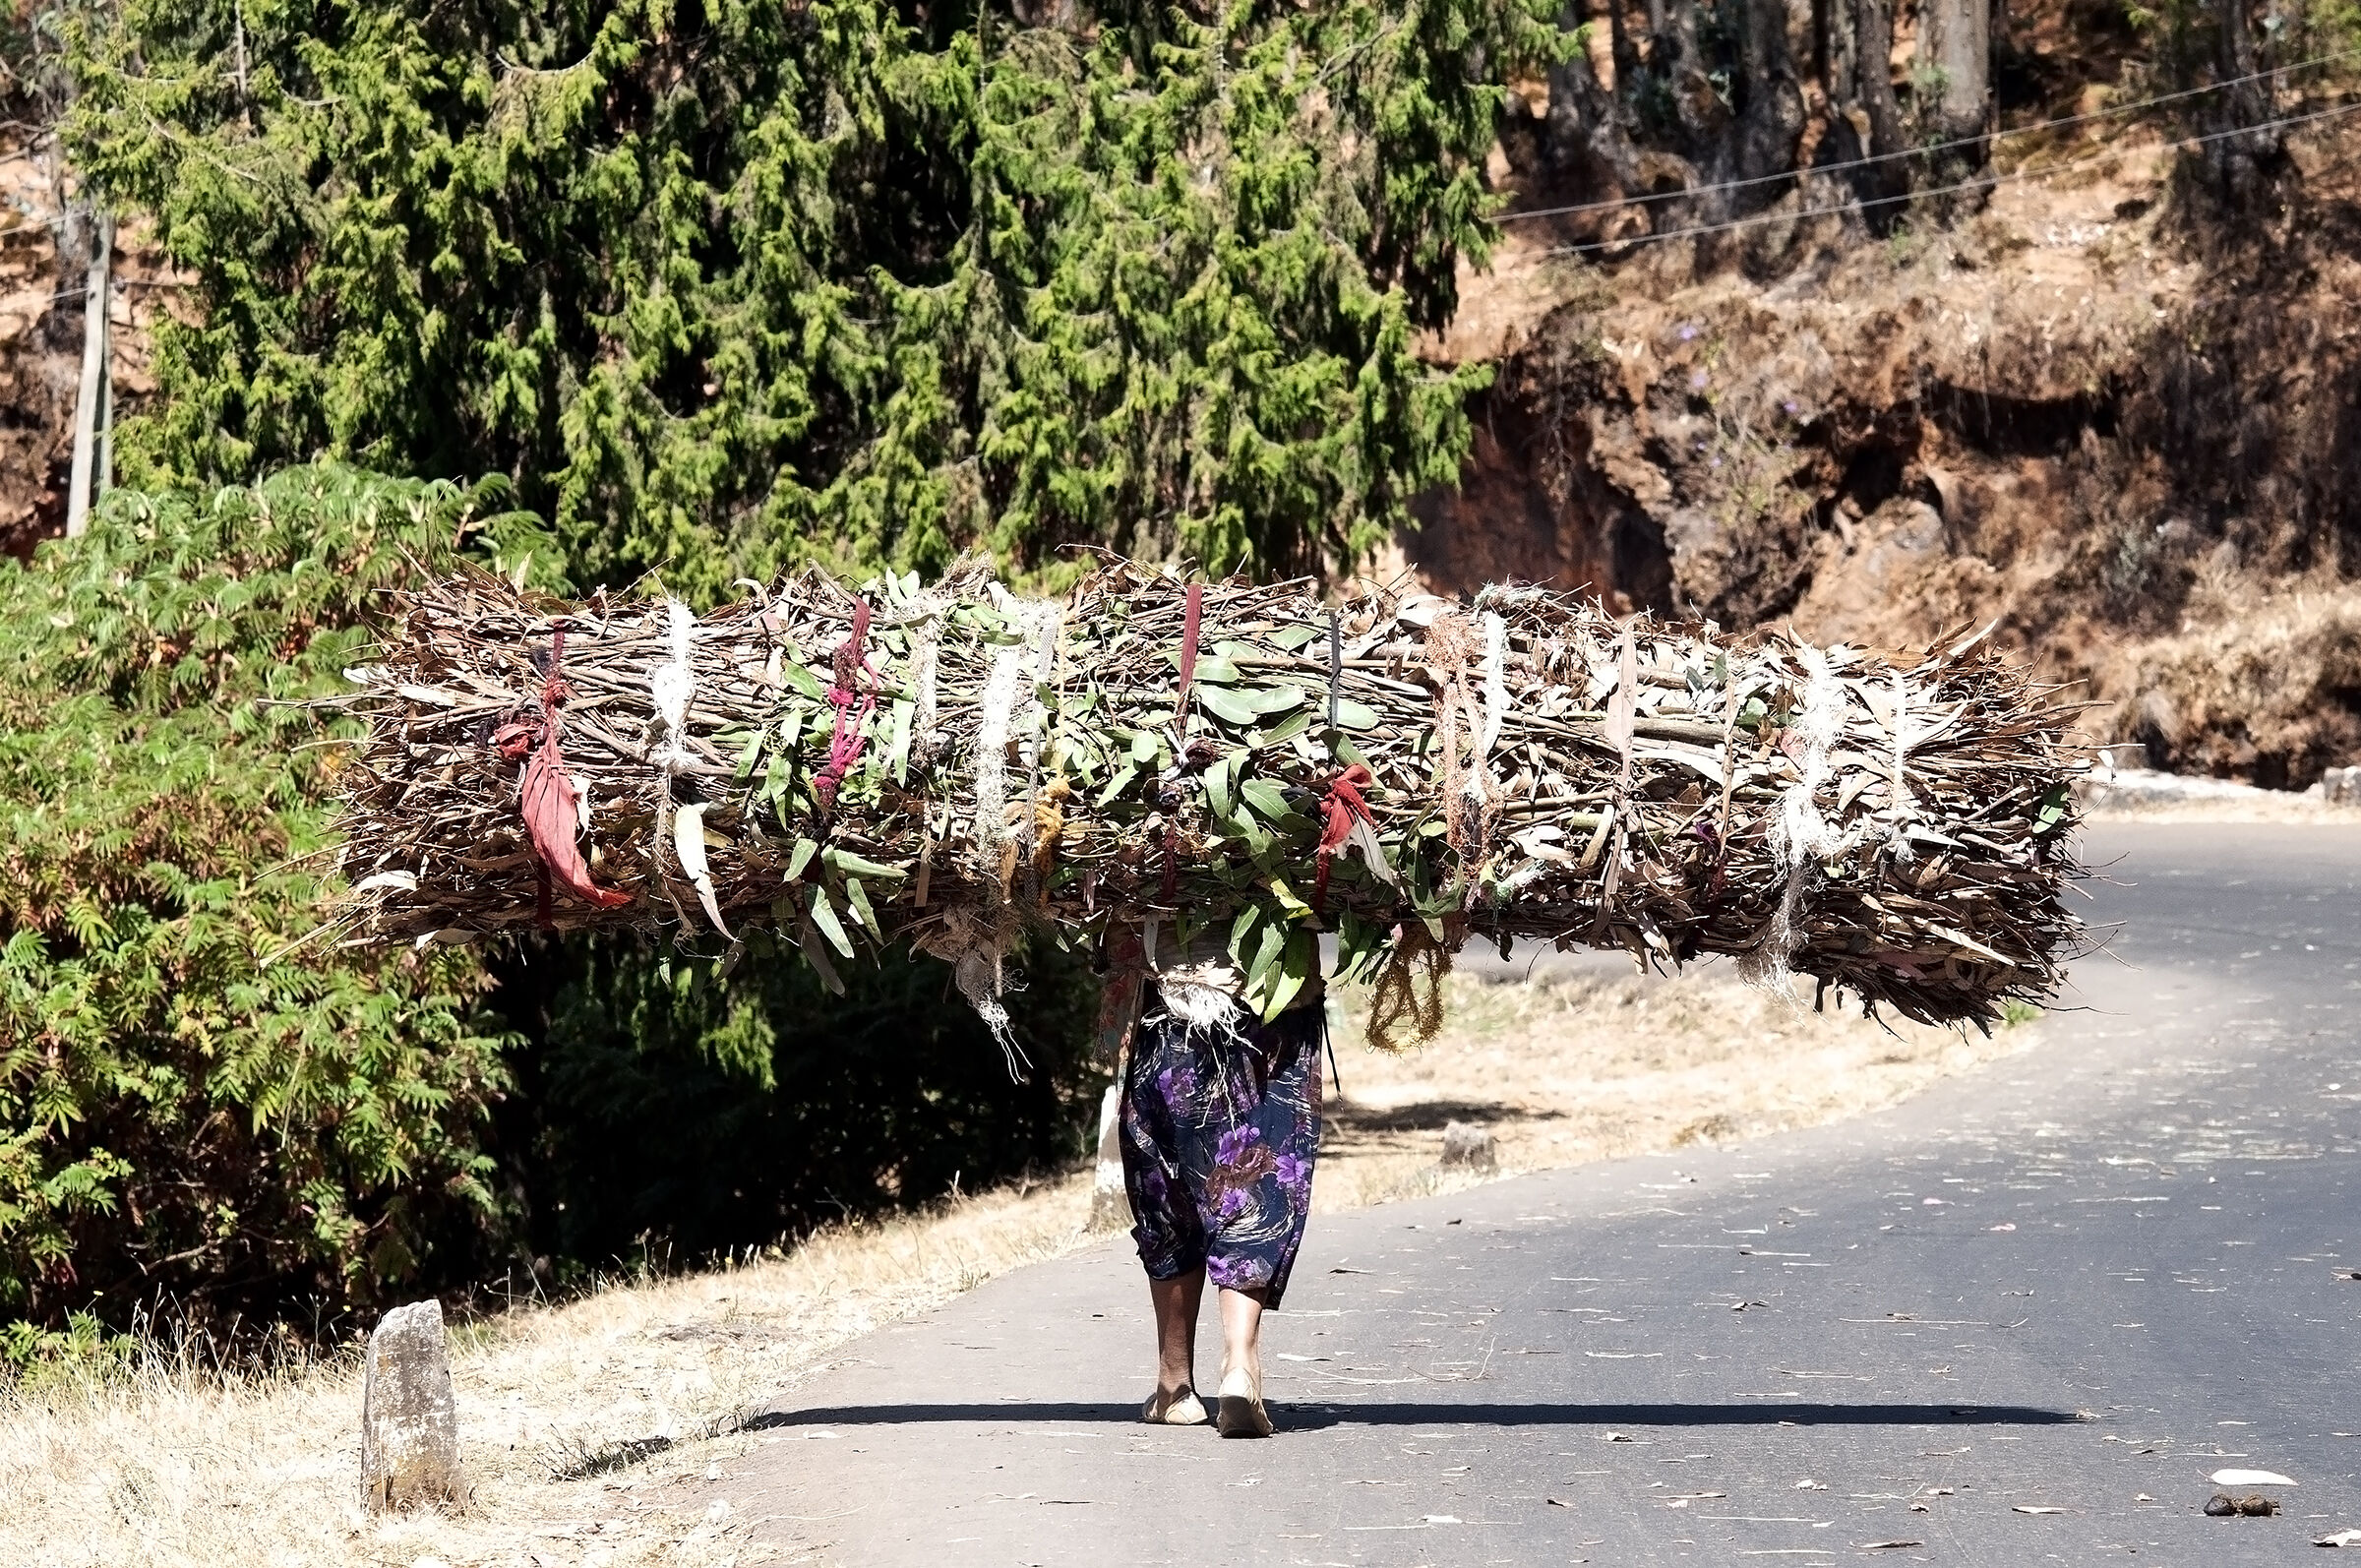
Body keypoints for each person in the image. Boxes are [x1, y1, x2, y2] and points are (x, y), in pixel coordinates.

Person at [1111, 923, 1325, 1438]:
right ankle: (1239, 1363)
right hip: (1275, 1005)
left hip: (1170, 1005)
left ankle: (1175, 1387)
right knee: (1256, 1189)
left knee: (1168, 1194)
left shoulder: (1152, 849)